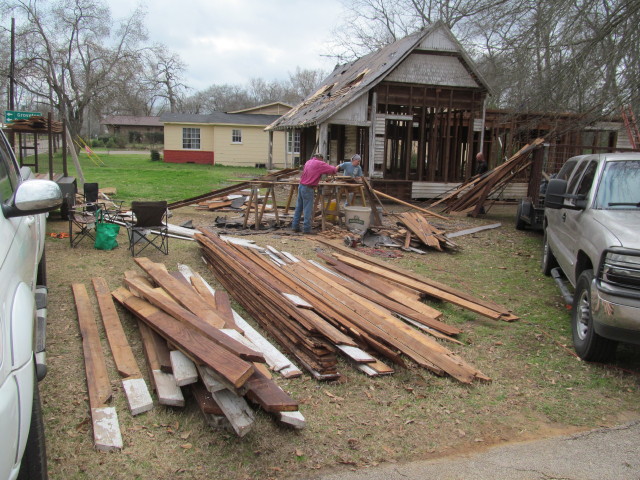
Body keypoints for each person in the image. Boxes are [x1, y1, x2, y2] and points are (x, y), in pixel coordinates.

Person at [291, 153, 339, 234]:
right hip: (308, 188)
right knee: (307, 209)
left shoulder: (308, 162)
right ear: (321, 158)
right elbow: (333, 170)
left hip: (301, 186)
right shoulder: (319, 163)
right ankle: (306, 229)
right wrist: (340, 166)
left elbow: (313, 173)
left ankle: (295, 226)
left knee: (299, 207)